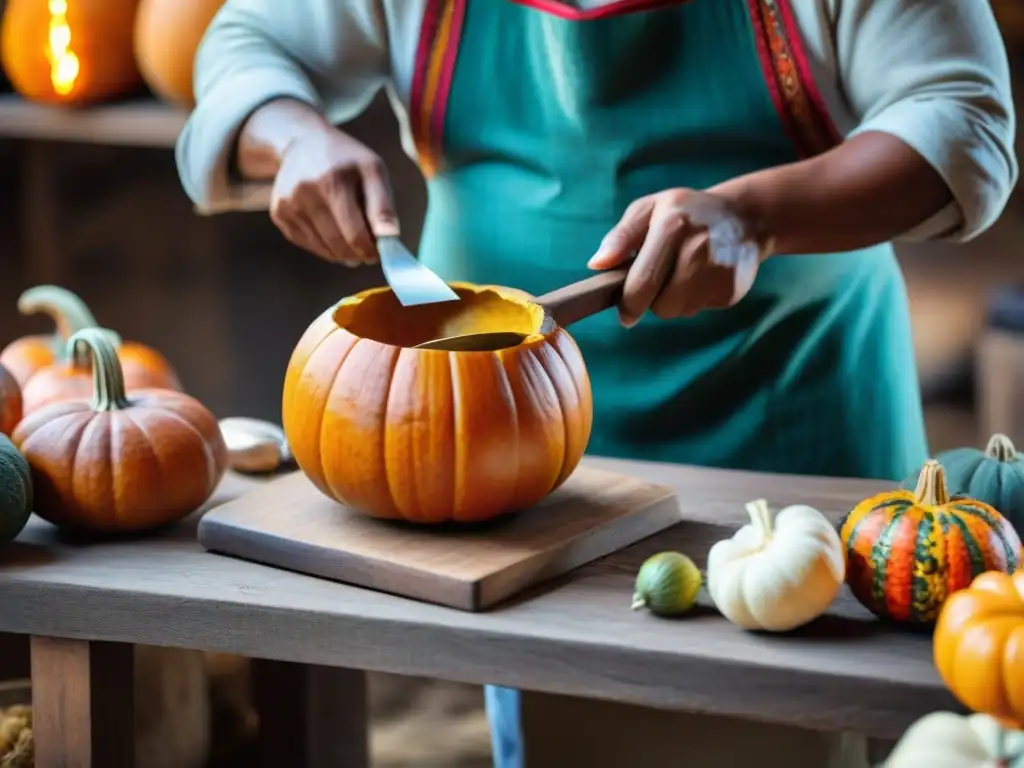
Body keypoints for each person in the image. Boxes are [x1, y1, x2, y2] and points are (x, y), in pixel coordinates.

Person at [176, 1, 1017, 765]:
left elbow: (962, 119)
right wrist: (293, 137)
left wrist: (756, 217)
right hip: (492, 455)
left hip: (790, 423)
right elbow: (249, 42)